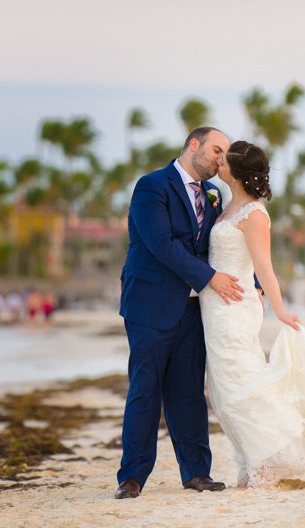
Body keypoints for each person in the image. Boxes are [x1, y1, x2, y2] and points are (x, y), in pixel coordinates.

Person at [200, 141, 305, 487]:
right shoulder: (227, 205)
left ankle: (276, 456)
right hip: (213, 308)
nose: (219, 163)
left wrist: (280, 310)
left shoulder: (255, 215)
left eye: (225, 161)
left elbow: (265, 268)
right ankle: (251, 462)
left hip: (234, 309)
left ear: (239, 172)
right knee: (222, 388)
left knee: (238, 384)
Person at [116, 127, 244, 499]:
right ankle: (132, 477)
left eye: (226, 154)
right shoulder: (152, 186)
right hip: (150, 304)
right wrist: (209, 278)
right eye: (217, 150)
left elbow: (220, 248)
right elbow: (159, 244)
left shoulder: (214, 195)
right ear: (194, 145)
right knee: (145, 388)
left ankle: (196, 473)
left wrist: (251, 282)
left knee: (188, 393)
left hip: (194, 309)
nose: (222, 159)